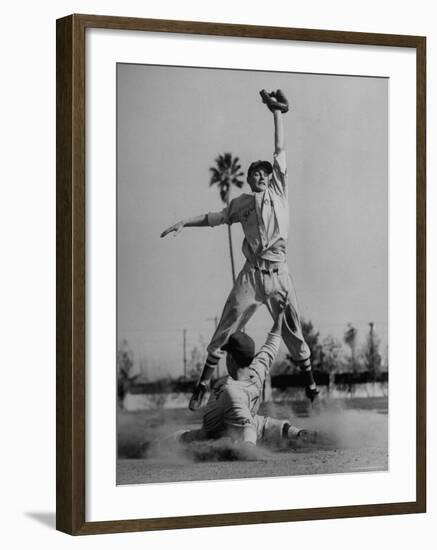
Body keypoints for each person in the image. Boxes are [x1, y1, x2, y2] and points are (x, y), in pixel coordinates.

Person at [161, 89, 319, 410]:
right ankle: (202, 385)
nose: (261, 175)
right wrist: (183, 223)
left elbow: (279, 147)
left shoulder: (279, 190)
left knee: (293, 329)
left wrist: (276, 113)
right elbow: (215, 218)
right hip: (252, 273)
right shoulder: (242, 204)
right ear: (248, 179)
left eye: (265, 172)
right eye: (255, 172)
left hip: (279, 273)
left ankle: (312, 388)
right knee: (228, 321)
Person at [197, 295, 314, 446]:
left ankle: (242, 444)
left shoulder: (231, 390)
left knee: (198, 439)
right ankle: (297, 433)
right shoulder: (257, 368)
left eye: (227, 354)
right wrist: (279, 316)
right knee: (265, 423)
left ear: (231, 359)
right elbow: (273, 340)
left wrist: (249, 447)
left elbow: (248, 428)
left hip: (219, 434)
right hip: (244, 421)